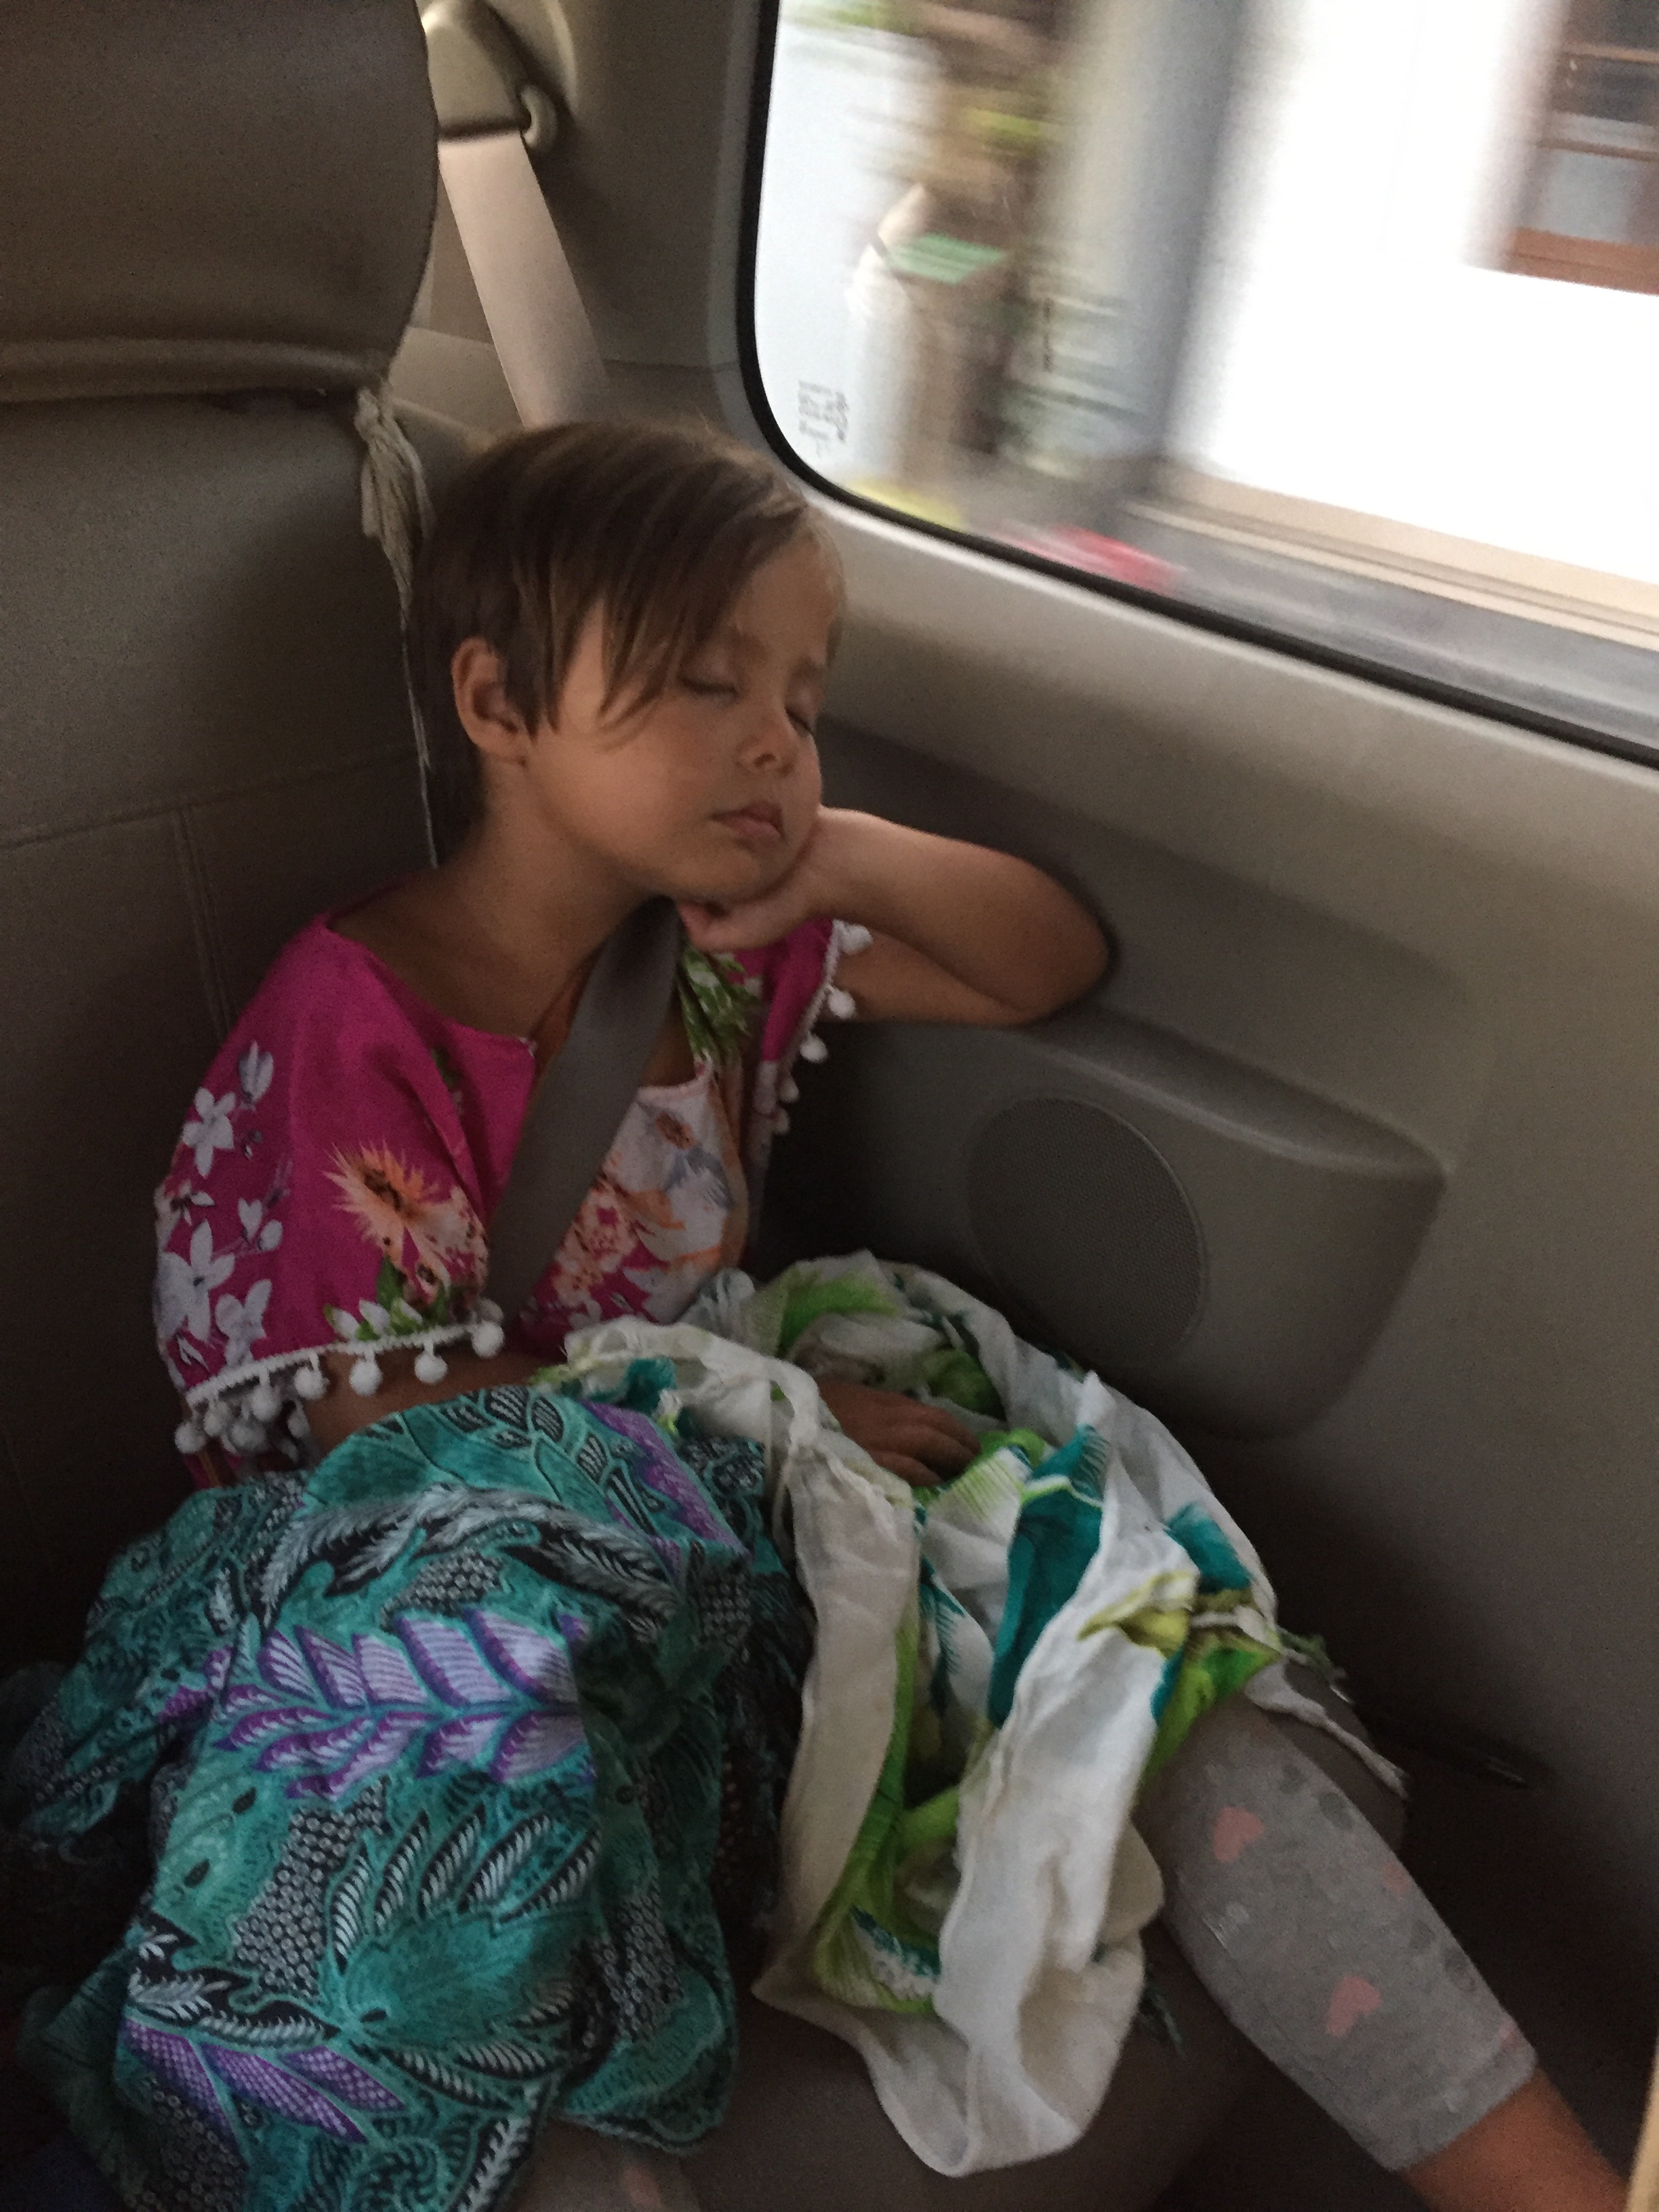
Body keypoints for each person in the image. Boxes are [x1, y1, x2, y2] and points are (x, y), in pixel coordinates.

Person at [147, 420, 1620, 2211]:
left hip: (760, 1495)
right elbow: (375, 1423)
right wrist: (759, 1422)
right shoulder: (359, 1021)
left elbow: (1041, 961)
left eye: (805, 695)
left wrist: (830, 856)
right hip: (514, 1541)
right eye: (710, 683)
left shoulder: (714, 955)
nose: (776, 736)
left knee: (1158, 1698)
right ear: (498, 702)